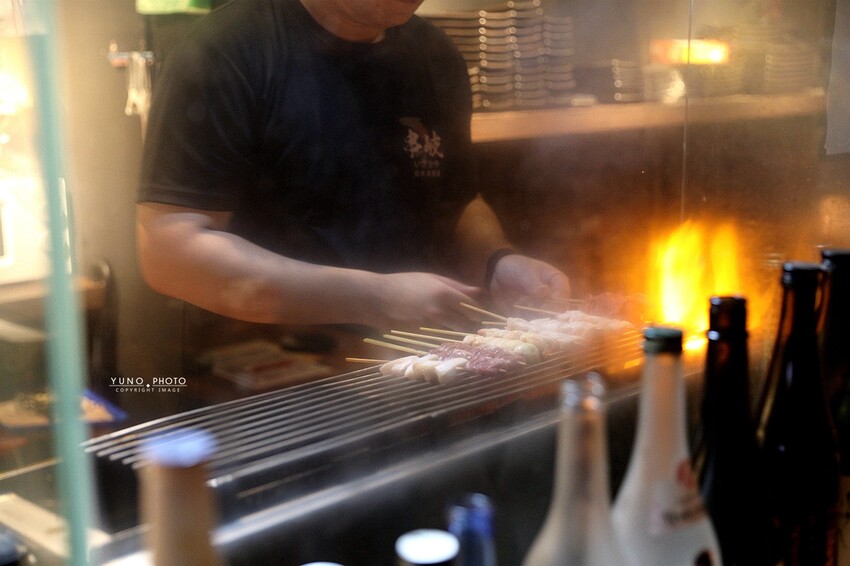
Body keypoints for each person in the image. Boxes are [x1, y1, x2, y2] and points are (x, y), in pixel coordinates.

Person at [136, 0, 570, 334]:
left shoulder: (436, 57)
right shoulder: (225, 50)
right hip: (263, 380)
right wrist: (373, 298)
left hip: (414, 369)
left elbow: (457, 202)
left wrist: (497, 262)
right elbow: (170, 251)